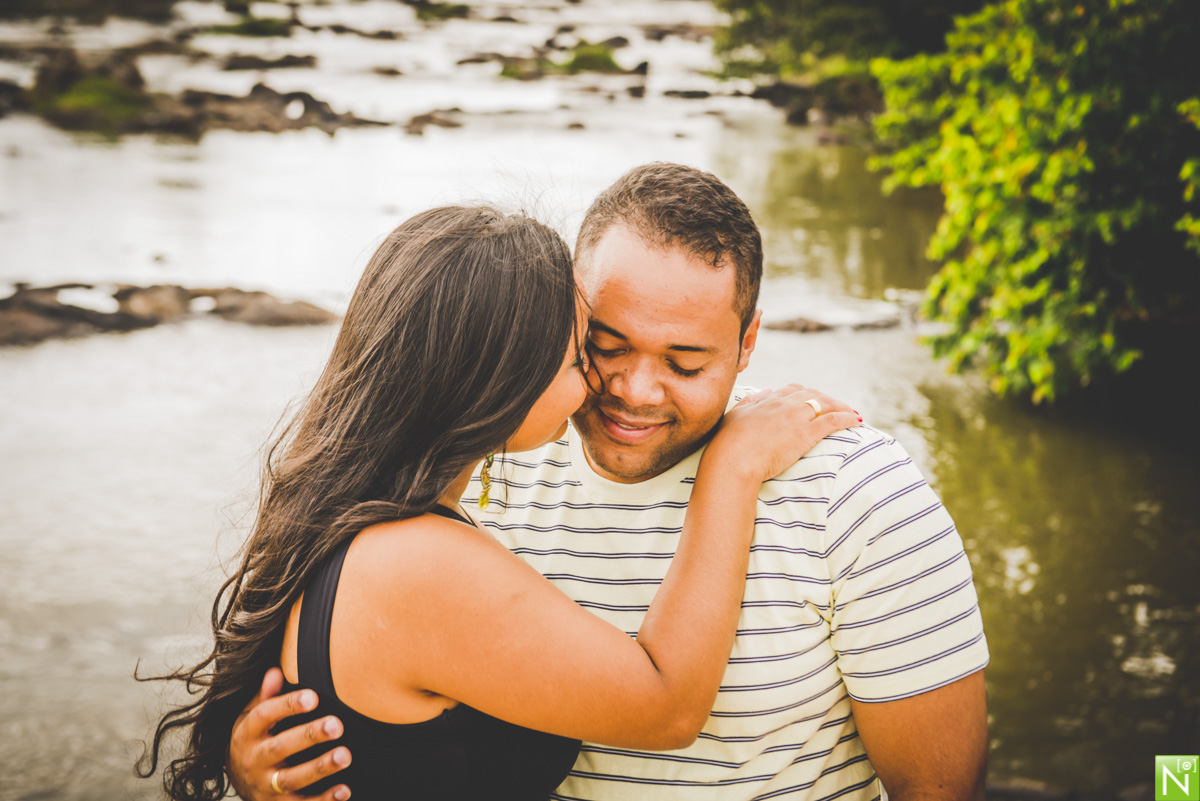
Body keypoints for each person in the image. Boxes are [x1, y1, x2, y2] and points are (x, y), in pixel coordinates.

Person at [228, 164, 991, 801]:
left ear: (749, 339)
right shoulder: (496, 468)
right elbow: (661, 702)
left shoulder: (856, 494)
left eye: (686, 362)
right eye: (599, 347)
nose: (634, 389)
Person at [137, 204, 861, 801]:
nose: (603, 386)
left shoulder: (362, 517)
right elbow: (668, 702)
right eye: (585, 353)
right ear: (499, 376)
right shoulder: (416, 563)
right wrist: (733, 466)